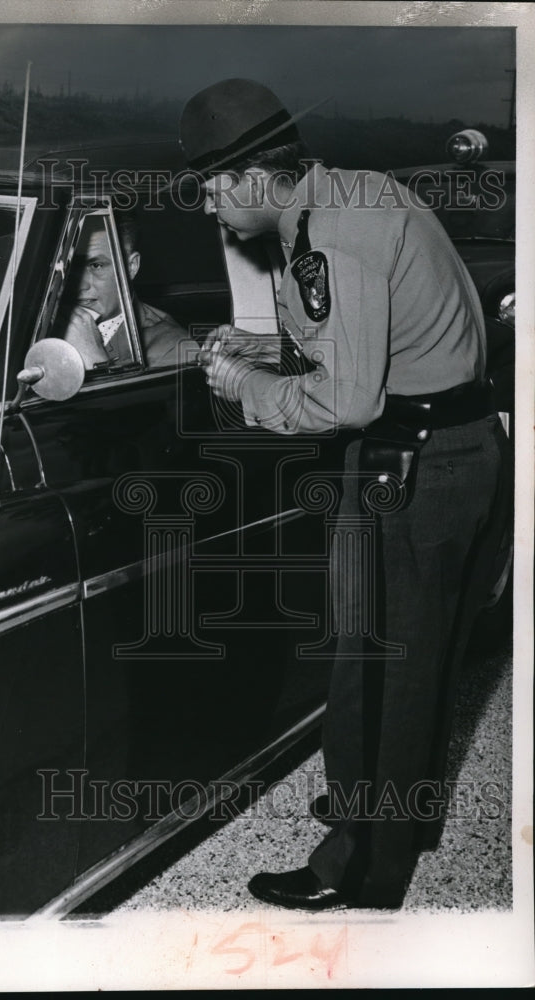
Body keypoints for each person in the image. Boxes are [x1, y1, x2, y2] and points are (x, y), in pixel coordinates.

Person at [178, 78, 511, 910]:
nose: (209, 205)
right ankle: (396, 817)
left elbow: (342, 401)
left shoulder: (333, 238)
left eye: (215, 186)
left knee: (378, 668)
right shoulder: (347, 198)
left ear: (256, 176)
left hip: (415, 461)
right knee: (414, 662)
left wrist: (243, 384)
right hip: (442, 448)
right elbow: (365, 338)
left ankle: (359, 867)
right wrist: (261, 345)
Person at [56, 214, 185, 369]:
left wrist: (93, 359)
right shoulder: (46, 322)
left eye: (96, 266)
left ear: (131, 267)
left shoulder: (173, 347)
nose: (80, 285)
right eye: (71, 266)